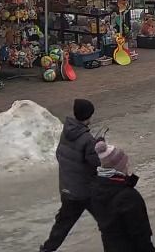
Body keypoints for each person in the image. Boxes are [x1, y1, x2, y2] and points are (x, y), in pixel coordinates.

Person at [39, 99, 101, 252]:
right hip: (85, 192)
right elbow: (96, 162)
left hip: (67, 189)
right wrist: (98, 145)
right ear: (87, 116)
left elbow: (60, 154)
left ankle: (46, 250)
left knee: (62, 226)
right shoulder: (87, 139)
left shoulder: (66, 132)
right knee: (108, 220)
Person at [89, 141, 155, 252]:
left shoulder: (96, 190)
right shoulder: (128, 197)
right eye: (125, 162)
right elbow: (141, 237)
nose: (127, 165)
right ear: (118, 167)